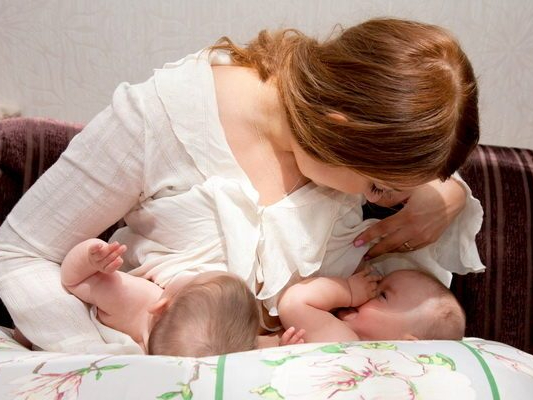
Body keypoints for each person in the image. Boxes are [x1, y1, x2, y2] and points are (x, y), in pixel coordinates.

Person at [0, 18, 483, 354]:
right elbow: (18, 253)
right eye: (376, 188)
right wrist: (117, 360)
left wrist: (449, 195)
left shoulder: (346, 151)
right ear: (340, 128)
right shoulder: (160, 120)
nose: (376, 201)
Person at [15, 238, 305, 356]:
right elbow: (247, 345)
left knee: (39, 325)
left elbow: (72, 279)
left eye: (191, 278)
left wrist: (90, 258)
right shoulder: (216, 346)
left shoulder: (138, 300)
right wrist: (279, 344)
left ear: (162, 304)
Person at [278, 267, 465, 342]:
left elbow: (294, 303)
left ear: (408, 344)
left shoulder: (348, 343)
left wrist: (348, 291)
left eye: (382, 295)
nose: (369, 292)